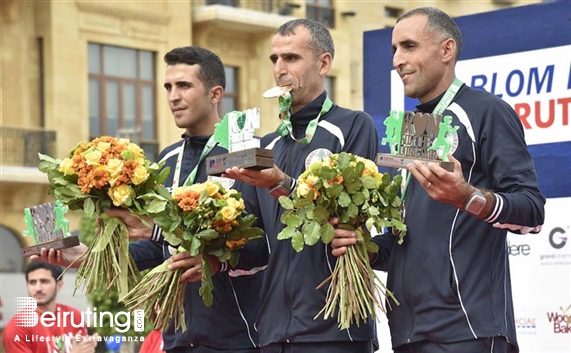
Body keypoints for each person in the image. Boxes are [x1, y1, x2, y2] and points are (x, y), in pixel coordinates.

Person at [332, 7, 546, 353]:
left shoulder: (486, 111)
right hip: (407, 333)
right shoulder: (412, 128)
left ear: (446, 50)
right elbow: (410, 243)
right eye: (394, 50)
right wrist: (365, 248)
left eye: (409, 46)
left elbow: (533, 212)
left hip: (468, 329)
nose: (398, 60)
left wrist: (468, 197)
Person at [33, 46, 266, 353]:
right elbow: (158, 247)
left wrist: (212, 260)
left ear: (215, 94)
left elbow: (264, 247)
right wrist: (88, 254)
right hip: (177, 337)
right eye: (168, 87)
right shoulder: (167, 159)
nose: (172, 96)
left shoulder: (251, 153)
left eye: (184, 86)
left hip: (238, 338)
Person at [223, 19, 380, 353]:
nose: (280, 69)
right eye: (274, 59)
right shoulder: (265, 146)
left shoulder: (352, 125)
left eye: (291, 58)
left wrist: (283, 184)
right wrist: (212, 250)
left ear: (323, 63)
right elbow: (255, 245)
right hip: (274, 331)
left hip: (335, 327)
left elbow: (347, 220)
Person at [1, 261, 98, 353]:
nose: (38, 288)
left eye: (44, 281)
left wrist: (88, 347)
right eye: (32, 282)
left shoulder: (74, 315)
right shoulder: (17, 328)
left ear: (59, 285)